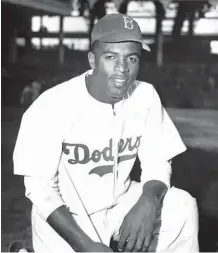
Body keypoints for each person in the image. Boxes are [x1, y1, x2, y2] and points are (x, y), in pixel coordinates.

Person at [13, 13, 199, 252]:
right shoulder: (50, 106)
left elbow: (158, 161)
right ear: (92, 59)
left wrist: (147, 202)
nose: (123, 69)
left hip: (121, 203)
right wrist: (85, 245)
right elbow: (40, 190)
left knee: (181, 205)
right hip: (70, 216)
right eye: (111, 57)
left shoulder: (145, 95)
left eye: (132, 58)